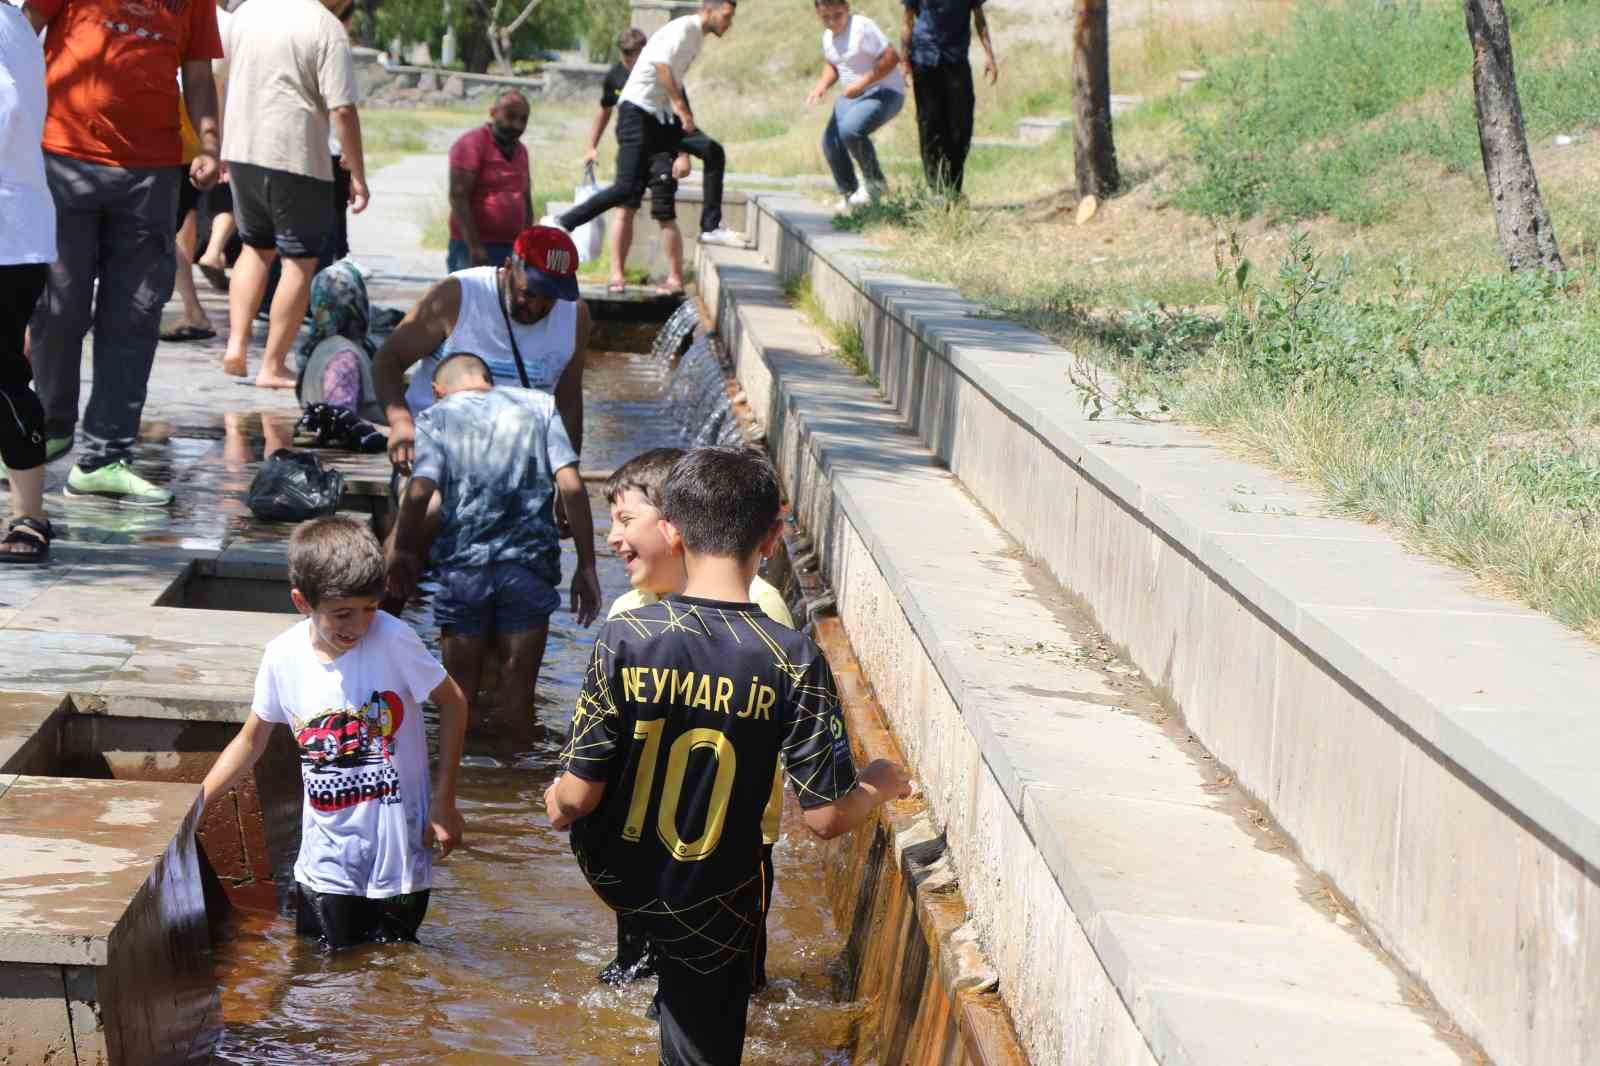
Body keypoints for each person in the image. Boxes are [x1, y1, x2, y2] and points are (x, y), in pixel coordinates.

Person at [546, 447, 912, 1064]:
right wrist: (877, 783)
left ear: (671, 531)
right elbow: (826, 818)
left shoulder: (625, 635)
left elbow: (577, 796)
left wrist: (554, 799)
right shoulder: (792, 656)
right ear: (772, 536)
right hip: (717, 899)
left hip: (625, 879)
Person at [199, 515, 469, 951]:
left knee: (395, 969)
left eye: (370, 609)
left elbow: (453, 702)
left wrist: (444, 801)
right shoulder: (282, 657)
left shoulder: (394, 640)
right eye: (343, 614)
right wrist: (199, 802)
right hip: (325, 864)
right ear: (302, 602)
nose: (358, 625)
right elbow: (251, 740)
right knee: (324, 971)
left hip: (399, 861)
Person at [597, 447, 795, 989]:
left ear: (673, 525)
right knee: (633, 979)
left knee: (733, 986)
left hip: (732, 842)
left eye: (625, 520)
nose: (613, 537)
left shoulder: (759, 606)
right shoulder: (628, 612)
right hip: (642, 836)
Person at [23, 0, 222, 507]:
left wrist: (208, 144)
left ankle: (105, 457)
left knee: (135, 314)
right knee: (58, 306)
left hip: (152, 171)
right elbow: (23, 30)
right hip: (62, 155)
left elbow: (198, 73)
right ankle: (50, 427)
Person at [388, 353, 600, 725]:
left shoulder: (437, 416)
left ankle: (461, 762)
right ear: (489, 379)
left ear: (438, 390)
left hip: (464, 573)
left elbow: (419, 492)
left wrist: (403, 552)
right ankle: (518, 759)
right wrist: (587, 565)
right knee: (519, 698)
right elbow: (571, 486)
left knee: (458, 698)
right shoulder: (539, 406)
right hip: (529, 569)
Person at [220, 0, 368, 390]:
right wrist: (357, 171)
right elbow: (343, 109)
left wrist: (217, 142)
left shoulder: (248, 12)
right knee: (298, 262)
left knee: (254, 248)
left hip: (242, 148)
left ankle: (236, 345)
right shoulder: (326, 27)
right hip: (295, 154)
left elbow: (217, 74)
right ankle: (272, 364)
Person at [374, 225, 589, 476]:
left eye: (550, 297)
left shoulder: (575, 316)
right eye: (529, 293)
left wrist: (568, 471)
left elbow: (569, 401)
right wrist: (401, 423)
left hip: (516, 468)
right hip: (435, 457)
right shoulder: (456, 295)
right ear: (509, 266)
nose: (537, 306)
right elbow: (387, 360)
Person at [549, 1, 749, 258]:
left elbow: (673, 78)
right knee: (625, 188)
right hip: (636, 114)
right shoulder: (684, 29)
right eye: (726, 16)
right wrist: (681, 108)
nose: (728, 24)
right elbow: (661, 66)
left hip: (658, 117)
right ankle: (562, 222)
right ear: (708, 10)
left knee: (712, 151)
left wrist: (682, 135)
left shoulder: (696, 38)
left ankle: (710, 227)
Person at [0, 0, 57, 562]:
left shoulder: (6, 27)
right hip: (18, 230)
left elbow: (7, 111)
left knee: (5, 377)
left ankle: (30, 514)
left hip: (9, 237)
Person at [807, 0, 905, 209]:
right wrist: (822, 85)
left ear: (847, 7)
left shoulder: (861, 27)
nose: (832, 22)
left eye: (837, 15)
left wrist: (861, 83)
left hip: (884, 91)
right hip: (853, 96)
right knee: (831, 142)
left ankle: (875, 183)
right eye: (826, 17)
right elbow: (834, 63)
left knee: (850, 130)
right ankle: (850, 196)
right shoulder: (828, 36)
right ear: (818, 13)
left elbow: (891, 57)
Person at [899, 0, 997, 197]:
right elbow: (907, 20)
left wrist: (990, 56)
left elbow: (979, 19)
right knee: (930, 125)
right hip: (925, 59)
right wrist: (904, 60)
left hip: (956, 60)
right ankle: (937, 190)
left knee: (961, 126)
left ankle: (953, 187)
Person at [447, 90, 533, 273]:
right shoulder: (471, 143)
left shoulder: (521, 151)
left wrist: (526, 245)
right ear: (493, 113)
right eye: (511, 116)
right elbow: (458, 196)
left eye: (523, 119)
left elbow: (525, 198)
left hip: (511, 249)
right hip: (473, 247)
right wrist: (474, 246)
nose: (517, 125)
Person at [162, 98, 218, 343]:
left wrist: (214, 148)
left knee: (161, 233)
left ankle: (194, 312)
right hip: (180, 148)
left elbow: (209, 91)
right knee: (165, 233)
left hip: (174, 149)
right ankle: (194, 311)